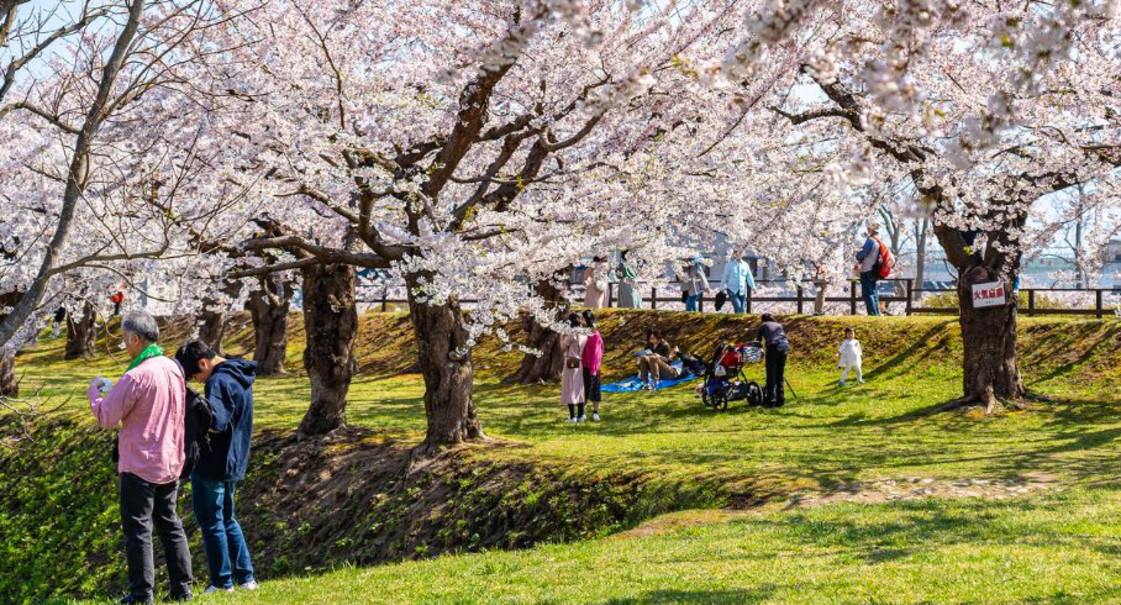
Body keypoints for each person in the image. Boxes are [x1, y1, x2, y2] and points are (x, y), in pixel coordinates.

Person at [87, 311, 193, 603]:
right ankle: (182, 587)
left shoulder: (137, 374)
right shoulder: (172, 368)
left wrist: (94, 393)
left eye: (124, 339)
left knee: (138, 529)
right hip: (170, 458)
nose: (124, 345)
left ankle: (142, 593)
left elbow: (107, 416)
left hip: (140, 462)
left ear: (135, 339)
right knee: (170, 523)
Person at [174, 341, 259, 594]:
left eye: (194, 375)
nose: (197, 381)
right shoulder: (239, 374)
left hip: (213, 462)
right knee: (227, 519)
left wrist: (192, 409)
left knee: (211, 520)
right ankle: (246, 578)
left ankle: (222, 583)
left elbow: (216, 423)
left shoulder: (218, 382)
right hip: (233, 460)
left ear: (203, 362)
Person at [754, 313, 789, 407]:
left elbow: (757, 342)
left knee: (771, 375)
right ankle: (780, 400)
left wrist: (755, 355)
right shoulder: (778, 325)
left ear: (763, 320)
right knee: (779, 374)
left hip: (773, 347)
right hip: (784, 347)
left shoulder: (763, 326)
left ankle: (771, 400)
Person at [560, 313, 588, 422]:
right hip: (579, 361)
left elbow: (562, 347)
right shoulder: (584, 335)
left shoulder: (572, 335)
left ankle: (572, 416)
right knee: (579, 387)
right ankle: (581, 414)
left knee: (569, 387)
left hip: (571, 360)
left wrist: (561, 336)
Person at [581, 310, 604, 422]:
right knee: (583, 390)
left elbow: (597, 353)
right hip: (583, 365)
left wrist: (593, 369)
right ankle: (582, 412)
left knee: (595, 391)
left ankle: (595, 412)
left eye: (582, 318)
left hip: (593, 367)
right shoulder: (582, 332)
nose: (580, 321)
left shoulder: (595, 335)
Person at [855, 224, 882, 316]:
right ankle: (876, 313)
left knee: (867, 293)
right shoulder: (877, 242)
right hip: (873, 270)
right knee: (873, 292)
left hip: (867, 270)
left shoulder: (870, 241)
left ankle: (872, 313)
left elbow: (863, 254)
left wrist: (857, 254)